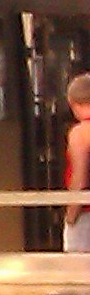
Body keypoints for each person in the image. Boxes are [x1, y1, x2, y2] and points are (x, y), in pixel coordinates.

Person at [65, 74, 90, 254]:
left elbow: (80, 178)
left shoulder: (80, 133)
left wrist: (70, 216)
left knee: (77, 266)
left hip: (86, 214)